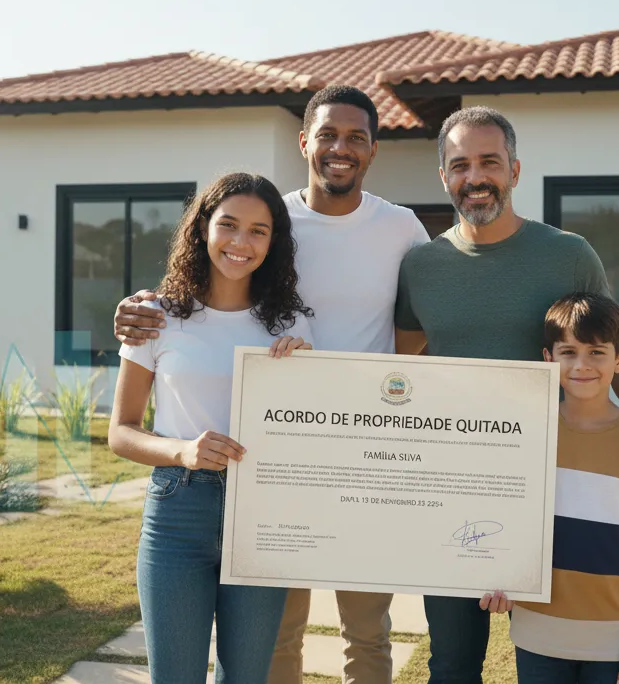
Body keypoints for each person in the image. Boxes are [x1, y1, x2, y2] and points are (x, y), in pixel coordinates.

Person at [111, 85, 430, 684]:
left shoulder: (402, 229)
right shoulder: (271, 215)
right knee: (279, 638)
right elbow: (193, 295)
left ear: (373, 149)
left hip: (365, 454)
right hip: (275, 471)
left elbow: (430, 320)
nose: (341, 148)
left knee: (367, 631)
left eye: (356, 137)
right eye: (328, 134)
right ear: (304, 141)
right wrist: (133, 310)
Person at [392, 106, 619, 683]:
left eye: (489, 162)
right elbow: (399, 369)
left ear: (515, 170)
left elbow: (612, 347)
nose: (475, 177)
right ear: (444, 177)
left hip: (557, 486)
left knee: (565, 654)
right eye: (460, 165)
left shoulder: (567, 255)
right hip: (457, 488)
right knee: (451, 662)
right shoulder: (421, 266)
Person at [108, 172, 315, 684]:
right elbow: (121, 430)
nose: (241, 242)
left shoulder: (291, 326)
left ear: (275, 241)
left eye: (259, 231)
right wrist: (182, 451)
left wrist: (307, 375)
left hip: (263, 516)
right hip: (178, 515)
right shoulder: (156, 316)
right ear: (202, 229)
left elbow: (307, 434)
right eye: (229, 225)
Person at [483, 292, 619, 684]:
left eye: (596, 353)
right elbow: (503, 523)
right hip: (537, 636)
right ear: (549, 359)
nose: (582, 365)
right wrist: (496, 575)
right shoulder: (525, 434)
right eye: (568, 352)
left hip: (615, 643)